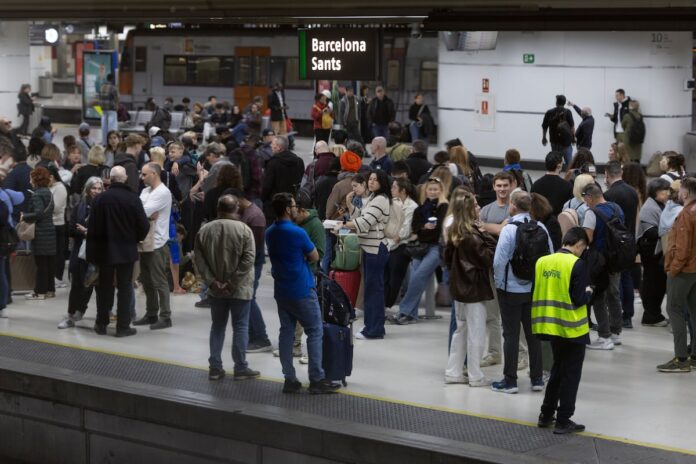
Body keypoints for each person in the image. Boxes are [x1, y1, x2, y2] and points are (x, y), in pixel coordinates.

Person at [266, 193, 340, 394]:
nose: (296, 208)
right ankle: (316, 379)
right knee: (315, 331)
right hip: (301, 288)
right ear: (287, 209)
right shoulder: (297, 232)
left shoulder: (270, 232)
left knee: (286, 332)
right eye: (293, 205)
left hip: (282, 290)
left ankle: (289, 379)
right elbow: (315, 255)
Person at [491, 190, 553, 394]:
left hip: (510, 289)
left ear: (513, 205)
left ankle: (510, 381)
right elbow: (550, 256)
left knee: (511, 335)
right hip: (533, 288)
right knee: (533, 335)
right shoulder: (541, 227)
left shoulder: (509, 229)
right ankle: (537, 379)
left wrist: (500, 284)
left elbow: (499, 261)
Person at [193, 194, 259, 381]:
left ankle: (215, 368)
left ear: (218, 209)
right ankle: (240, 368)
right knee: (240, 327)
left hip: (216, 290)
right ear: (237, 209)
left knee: (217, 327)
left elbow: (199, 260)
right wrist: (232, 282)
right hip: (240, 289)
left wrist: (212, 282)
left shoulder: (204, 230)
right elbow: (248, 259)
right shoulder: (244, 230)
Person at [534, 227, 592, 435]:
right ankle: (564, 419)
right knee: (571, 374)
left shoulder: (542, 262)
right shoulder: (577, 264)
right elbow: (579, 298)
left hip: (550, 325)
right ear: (579, 245)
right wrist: (589, 292)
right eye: (583, 248)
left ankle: (546, 414)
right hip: (573, 328)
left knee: (557, 370)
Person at [87, 166, 149, 336]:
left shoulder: (100, 199)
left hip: (104, 250)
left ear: (111, 179)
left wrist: (91, 253)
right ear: (125, 178)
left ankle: (101, 323)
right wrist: (134, 239)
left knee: (104, 288)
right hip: (126, 250)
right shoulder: (133, 198)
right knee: (125, 287)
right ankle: (123, 326)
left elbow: (92, 227)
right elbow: (144, 225)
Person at [444, 189, 497, 387]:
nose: (479, 207)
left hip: (459, 289)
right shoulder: (473, 236)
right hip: (474, 289)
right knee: (476, 333)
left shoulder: (454, 231)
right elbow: (488, 259)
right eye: (475, 205)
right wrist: (486, 234)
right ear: (468, 210)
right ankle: (475, 375)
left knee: (461, 330)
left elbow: (447, 260)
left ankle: (453, 371)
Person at [334, 171, 391, 339]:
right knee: (372, 290)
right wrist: (350, 205)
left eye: (375, 180)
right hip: (370, 248)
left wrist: (343, 225)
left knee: (373, 291)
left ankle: (373, 330)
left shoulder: (380, 199)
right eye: (370, 179)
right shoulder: (374, 198)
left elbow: (365, 223)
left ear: (382, 182)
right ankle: (374, 327)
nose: (371, 182)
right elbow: (361, 217)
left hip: (375, 249)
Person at [390, 176, 448, 325]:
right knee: (414, 279)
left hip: (435, 247)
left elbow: (435, 232)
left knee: (418, 277)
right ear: (426, 190)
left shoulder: (443, 207)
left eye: (435, 189)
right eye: (430, 189)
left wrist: (421, 230)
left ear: (440, 191)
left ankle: (404, 311)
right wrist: (423, 228)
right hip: (419, 248)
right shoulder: (421, 208)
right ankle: (411, 315)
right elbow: (414, 228)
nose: (432, 192)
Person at [581, 183, 625, 350]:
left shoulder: (591, 213)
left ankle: (604, 337)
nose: (585, 203)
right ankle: (615, 332)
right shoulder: (616, 208)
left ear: (589, 197)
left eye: (585, 199)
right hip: (616, 259)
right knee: (614, 294)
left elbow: (588, 238)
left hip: (598, 261)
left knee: (598, 296)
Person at [659, 177, 696, 372]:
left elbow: (682, 248)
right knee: (694, 311)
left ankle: (681, 359)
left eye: (680, 190)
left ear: (686, 193)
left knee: (674, 309)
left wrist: (673, 269)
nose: (678, 193)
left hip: (683, 270)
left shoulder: (686, 215)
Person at [58, 177, 104, 329]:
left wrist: (88, 232)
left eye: (99, 188)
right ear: (88, 189)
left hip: (97, 251)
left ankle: (84, 311)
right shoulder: (80, 206)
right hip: (79, 250)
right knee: (77, 283)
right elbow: (71, 229)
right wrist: (83, 233)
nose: (96, 191)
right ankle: (71, 314)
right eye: (94, 188)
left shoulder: (104, 207)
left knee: (92, 284)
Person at [133, 163, 173, 330]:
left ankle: (165, 316)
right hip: (144, 242)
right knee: (146, 281)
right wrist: (145, 215)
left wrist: (144, 214)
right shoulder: (145, 191)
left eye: (144, 174)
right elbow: (138, 211)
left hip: (157, 243)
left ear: (154, 174)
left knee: (159, 281)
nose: (141, 177)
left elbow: (141, 212)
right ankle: (151, 314)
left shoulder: (163, 192)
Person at [603, 161, 639, 328]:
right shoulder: (633, 192)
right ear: (621, 173)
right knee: (627, 277)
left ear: (607, 174)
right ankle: (628, 315)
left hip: (615, 243)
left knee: (615, 282)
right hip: (629, 240)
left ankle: (618, 316)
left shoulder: (609, 194)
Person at [638, 178, 671, 327]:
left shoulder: (660, 204)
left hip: (657, 251)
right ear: (656, 192)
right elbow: (650, 232)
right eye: (665, 190)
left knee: (659, 284)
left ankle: (655, 314)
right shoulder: (649, 208)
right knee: (652, 284)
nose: (668, 193)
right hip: (651, 252)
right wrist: (669, 229)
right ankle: (650, 316)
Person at [22, 167, 55, 300]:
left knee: (40, 264)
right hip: (50, 231)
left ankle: (40, 292)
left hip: (40, 232)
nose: (30, 181)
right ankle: (50, 290)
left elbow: (38, 213)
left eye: (31, 178)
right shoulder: (49, 192)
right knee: (48, 263)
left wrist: (24, 216)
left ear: (35, 179)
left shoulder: (36, 195)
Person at [261, 135, 304, 223]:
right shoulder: (299, 161)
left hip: (274, 205)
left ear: (279, 147)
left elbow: (267, 185)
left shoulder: (272, 163)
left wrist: (263, 198)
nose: (271, 146)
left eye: (273, 144)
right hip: (291, 203)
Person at [531, 152, 573, 216]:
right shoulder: (568, 186)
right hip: (559, 220)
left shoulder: (536, 185)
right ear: (559, 166)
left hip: (541, 219)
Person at [541, 95, 575, 166]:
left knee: (555, 164)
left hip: (554, 142)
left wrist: (544, 137)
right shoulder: (568, 112)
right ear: (564, 103)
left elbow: (544, 126)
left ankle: (556, 173)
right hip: (566, 143)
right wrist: (573, 138)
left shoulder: (549, 112)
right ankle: (569, 173)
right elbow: (572, 127)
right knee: (569, 164)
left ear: (556, 102)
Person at [49, 170, 69, 289]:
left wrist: (43, 204)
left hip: (58, 223)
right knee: (52, 252)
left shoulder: (60, 188)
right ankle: (52, 277)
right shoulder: (50, 187)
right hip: (49, 223)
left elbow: (56, 207)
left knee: (58, 252)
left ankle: (58, 277)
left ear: (52, 176)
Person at [480, 171, 513, 236]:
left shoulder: (516, 208)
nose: (502, 189)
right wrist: (500, 227)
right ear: (494, 187)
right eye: (499, 186)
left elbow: (504, 230)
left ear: (511, 186)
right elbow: (479, 227)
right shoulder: (486, 209)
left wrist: (485, 226)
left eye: (505, 185)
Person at [98, 74, 119, 146]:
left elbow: (99, 97)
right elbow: (117, 98)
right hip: (111, 109)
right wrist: (117, 106)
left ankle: (104, 142)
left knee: (104, 127)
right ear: (112, 79)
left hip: (103, 109)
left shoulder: (102, 87)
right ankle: (112, 143)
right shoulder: (113, 88)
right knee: (112, 127)